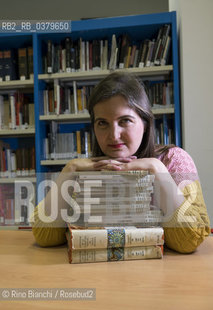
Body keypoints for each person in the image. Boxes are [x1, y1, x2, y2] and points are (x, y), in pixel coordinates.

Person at [30, 72, 210, 253]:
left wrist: (156, 169)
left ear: (145, 123)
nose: (114, 136)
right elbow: (46, 237)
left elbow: (188, 240)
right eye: (102, 123)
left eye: (125, 121)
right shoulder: (83, 170)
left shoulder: (173, 161)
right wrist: (69, 170)